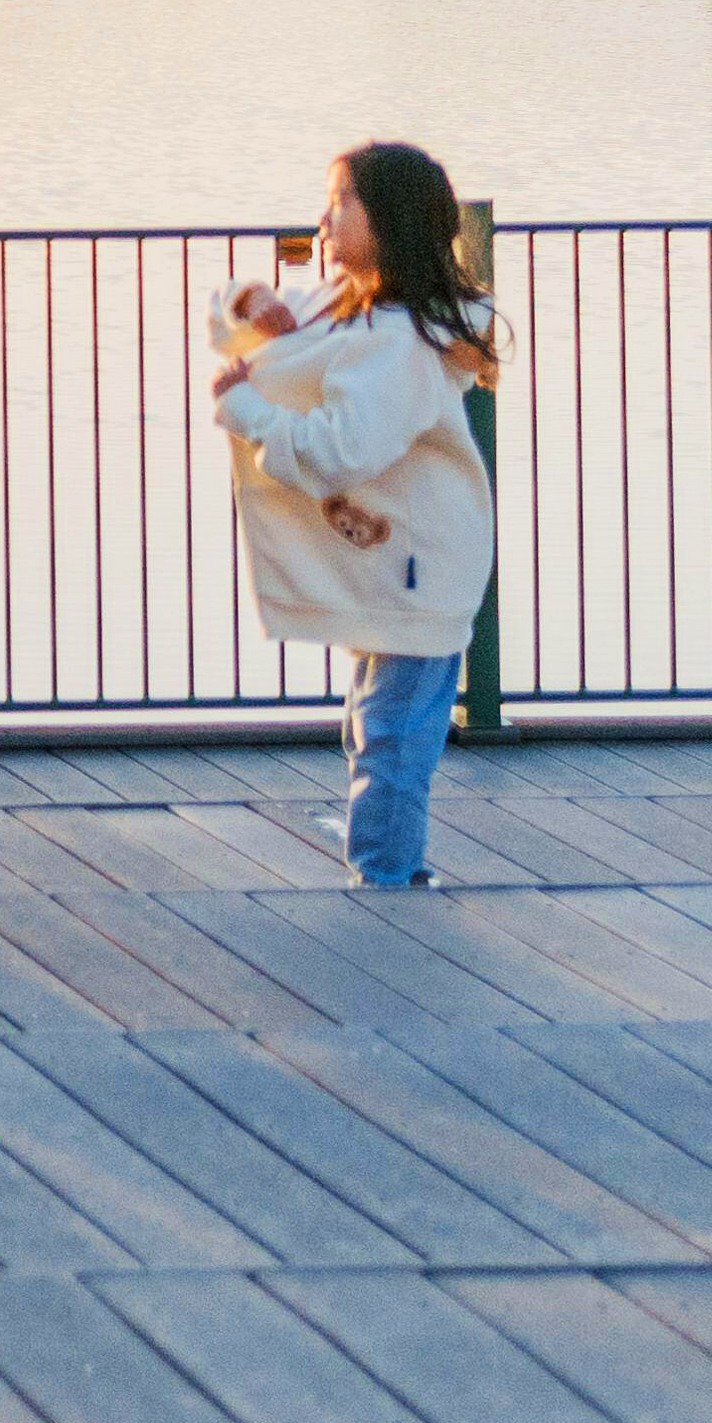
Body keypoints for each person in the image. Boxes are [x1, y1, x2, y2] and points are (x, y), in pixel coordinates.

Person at [213, 141, 498, 886]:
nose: (323, 217)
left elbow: (340, 451)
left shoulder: (396, 341)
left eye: (340, 201)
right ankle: (394, 871)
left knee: (391, 736)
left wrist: (244, 408)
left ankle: (386, 881)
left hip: (417, 566)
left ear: (389, 220)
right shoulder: (350, 309)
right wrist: (249, 303)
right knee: (376, 726)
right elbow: (240, 322)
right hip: (395, 560)